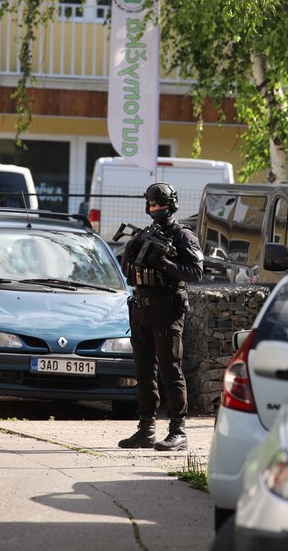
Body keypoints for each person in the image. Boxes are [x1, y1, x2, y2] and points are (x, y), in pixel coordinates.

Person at [118, 182, 203, 451]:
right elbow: (127, 272)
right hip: (141, 308)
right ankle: (146, 428)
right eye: (152, 204)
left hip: (167, 310)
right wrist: (130, 252)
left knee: (170, 369)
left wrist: (166, 263)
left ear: (172, 205)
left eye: (161, 204)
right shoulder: (145, 234)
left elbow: (195, 273)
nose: (156, 209)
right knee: (144, 372)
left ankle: (178, 430)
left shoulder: (183, 236)